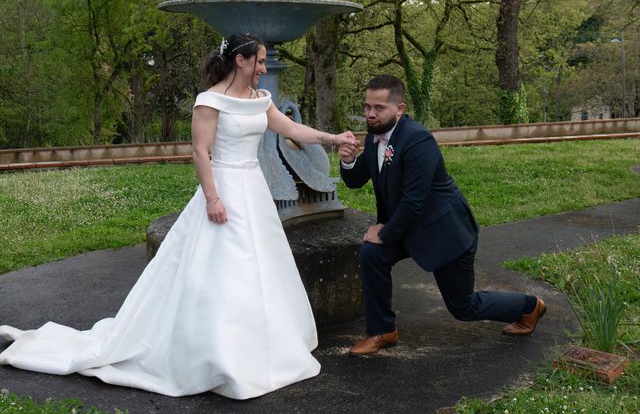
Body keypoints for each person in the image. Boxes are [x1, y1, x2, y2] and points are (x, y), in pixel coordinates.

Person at [0, 33, 358, 398]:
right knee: (225, 269)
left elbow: (292, 129)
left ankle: (260, 347)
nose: (264, 69)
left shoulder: (260, 100)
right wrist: (212, 198)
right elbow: (201, 153)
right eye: (260, 61)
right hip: (224, 189)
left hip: (254, 191)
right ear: (241, 61)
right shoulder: (209, 101)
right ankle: (216, 355)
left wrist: (333, 138)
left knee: (261, 268)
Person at [338, 74, 546, 357]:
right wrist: (347, 160)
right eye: (367, 107)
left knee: (464, 308)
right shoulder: (376, 136)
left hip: (444, 233)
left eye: (378, 108)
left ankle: (529, 306)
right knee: (372, 254)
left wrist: (384, 233)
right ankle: (382, 330)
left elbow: (414, 202)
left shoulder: (418, 140)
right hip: (409, 227)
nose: (370, 114)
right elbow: (355, 179)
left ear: (399, 109)